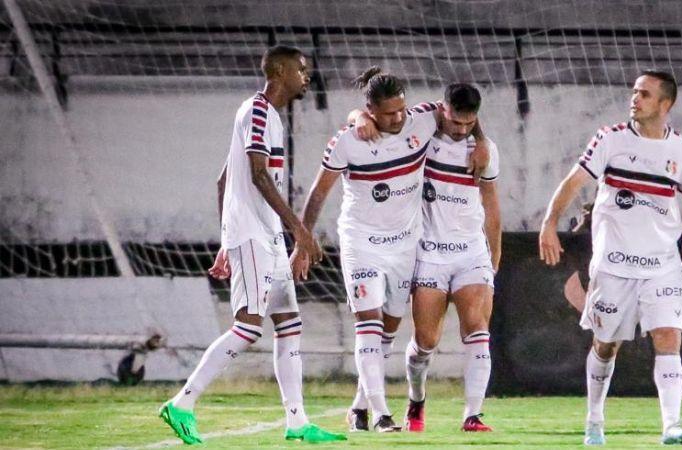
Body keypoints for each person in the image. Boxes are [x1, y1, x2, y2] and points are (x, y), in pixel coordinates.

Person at [159, 45, 345, 445]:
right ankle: (182, 403)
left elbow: (225, 180)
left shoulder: (266, 115)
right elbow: (258, 176)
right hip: (257, 236)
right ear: (279, 71)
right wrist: (299, 229)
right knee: (247, 327)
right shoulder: (258, 111)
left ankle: (297, 424)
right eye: (300, 69)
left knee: (289, 325)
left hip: (264, 237)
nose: (306, 76)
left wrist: (228, 240)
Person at [289, 67, 489, 432]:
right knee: (369, 321)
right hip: (361, 243)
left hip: (404, 246)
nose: (398, 118)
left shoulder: (421, 120)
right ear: (370, 110)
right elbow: (318, 193)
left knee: (390, 331)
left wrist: (484, 140)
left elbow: (460, 114)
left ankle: (359, 407)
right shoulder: (347, 141)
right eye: (387, 113)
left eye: (401, 110)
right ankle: (381, 414)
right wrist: (304, 241)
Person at [538, 70, 682, 446]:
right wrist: (549, 222)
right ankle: (594, 420)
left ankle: (671, 424)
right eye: (634, 92)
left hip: (662, 265)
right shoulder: (610, 140)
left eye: (644, 94)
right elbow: (575, 181)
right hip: (614, 266)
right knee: (606, 346)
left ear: (665, 104)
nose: (634, 99)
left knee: (669, 337)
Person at [394, 83, 501, 433]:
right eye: (456, 122)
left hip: (470, 251)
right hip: (429, 253)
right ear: (443, 110)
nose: (462, 130)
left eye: (470, 124)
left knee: (478, 329)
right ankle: (416, 398)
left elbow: (491, 203)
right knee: (426, 341)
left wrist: (493, 257)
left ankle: (473, 414)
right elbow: (381, 116)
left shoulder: (484, 151)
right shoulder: (420, 137)